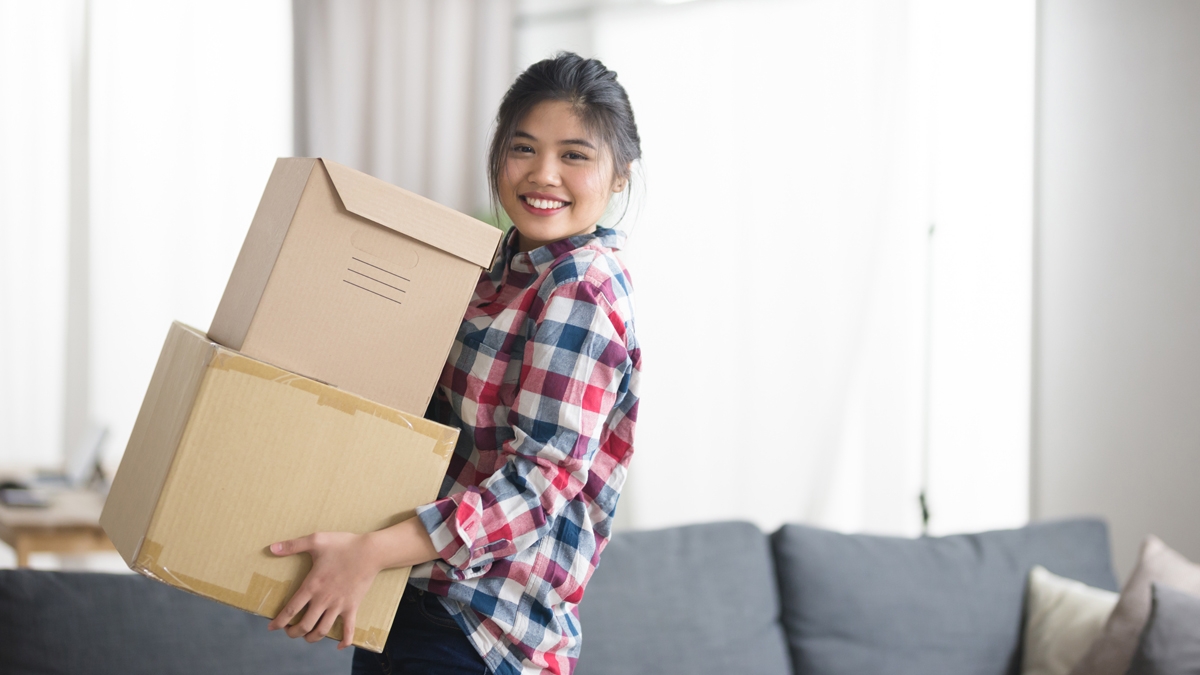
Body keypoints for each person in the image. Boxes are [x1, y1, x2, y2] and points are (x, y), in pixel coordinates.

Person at [265, 52, 643, 675]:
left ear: (620, 175)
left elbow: (536, 488)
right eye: (524, 148)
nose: (543, 174)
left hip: (485, 633)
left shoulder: (582, 285)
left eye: (575, 155)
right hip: (414, 598)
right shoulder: (498, 268)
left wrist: (371, 551)